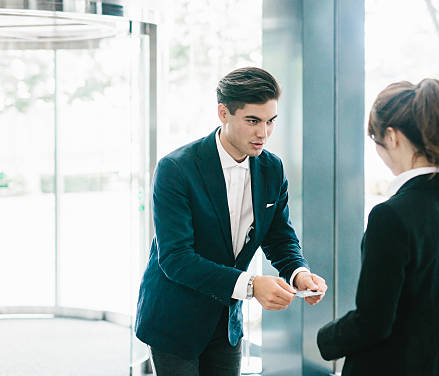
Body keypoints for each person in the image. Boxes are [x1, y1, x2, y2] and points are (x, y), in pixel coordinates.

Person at [135, 67, 327, 376]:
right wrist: (252, 286)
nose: (263, 133)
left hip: (226, 322)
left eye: (270, 121)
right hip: (175, 320)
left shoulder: (272, 169)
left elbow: (279, 238)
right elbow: (176, 259)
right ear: (224, 113)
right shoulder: (176, 169)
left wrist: (298, 273)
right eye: (253, 121)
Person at [317, 79, 439, 376]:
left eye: (375, 140)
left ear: (392, 136)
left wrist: (325, 339)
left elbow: (374, 322)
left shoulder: (390, 215)